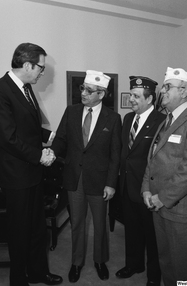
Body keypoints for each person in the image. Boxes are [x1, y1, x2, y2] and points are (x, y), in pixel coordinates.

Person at [0, 43, 62, 286]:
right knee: (19, 232)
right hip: (16, 175)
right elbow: (7, 137)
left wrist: (49, 138)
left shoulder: (27, 88)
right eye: (41, 67)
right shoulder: (0, 90)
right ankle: (18, 280)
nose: (42, 72)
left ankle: (39, 273)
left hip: (31, 172)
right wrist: (40, 156)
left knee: (37, 228)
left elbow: (26, 128)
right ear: (28, 65)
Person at [141, 67, 187, 285]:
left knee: (183, 270)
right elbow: (152, 159)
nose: (162, 91)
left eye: (167, 87)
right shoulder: (167, 119)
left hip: (181, 210)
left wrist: (161, 198)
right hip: (159, 205)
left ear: (183, 92)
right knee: (166, 263)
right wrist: (146, 188)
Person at [49, 70, 122, 283]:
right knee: (77, 223)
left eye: (89, 91)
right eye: (83, 88)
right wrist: (52, 151)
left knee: (100, 224)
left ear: (102, 94)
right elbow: (61, 139)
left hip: (100, 181)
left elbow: (115, 155)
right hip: (74, 178)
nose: (84, 93)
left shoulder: (113, 118)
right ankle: (76, 262)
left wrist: (111, 184)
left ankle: (100, 261)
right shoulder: (71, 112)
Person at [115, 76, 165, 286]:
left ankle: (154, 275)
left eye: (136, 96)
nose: (131, 100)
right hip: (127, 186)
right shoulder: (127, 119)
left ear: (149, 98)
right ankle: (134, 264)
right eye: (131, 95)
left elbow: (161, 159)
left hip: (147, 189)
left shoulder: (161, 122)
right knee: (132, 230)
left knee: (152, 235)